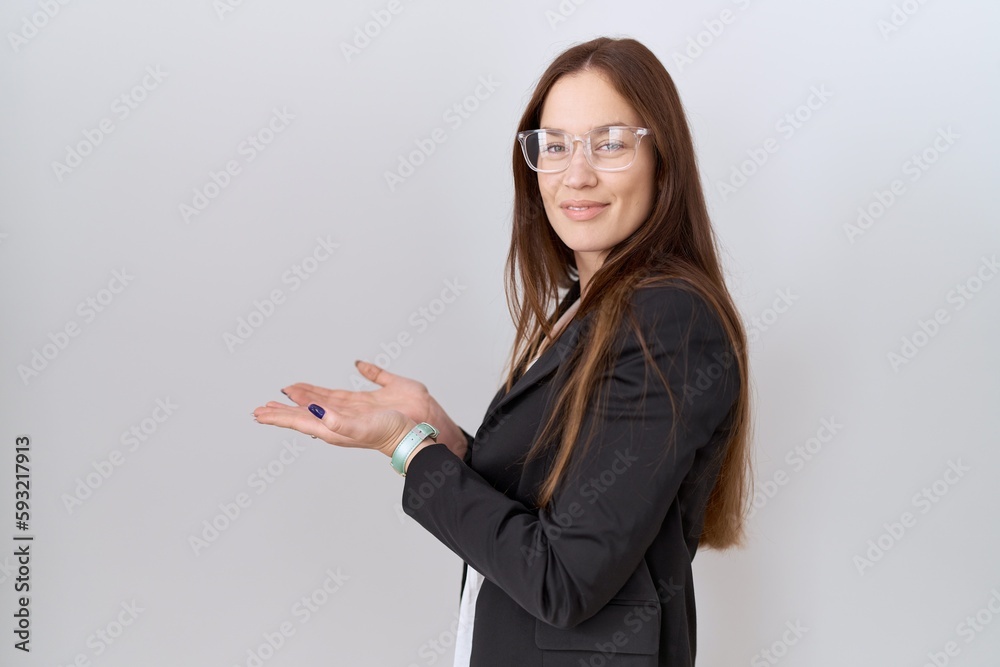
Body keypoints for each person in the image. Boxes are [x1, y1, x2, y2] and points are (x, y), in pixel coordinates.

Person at [253, 36, 752, 667]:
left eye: (610, 144)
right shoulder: (584, 306)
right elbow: (554, 505)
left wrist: (406, 448)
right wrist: (446, 441)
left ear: (663, 158)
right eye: (556, 145)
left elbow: (565, 580)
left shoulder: (669, 320)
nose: (577, 174)